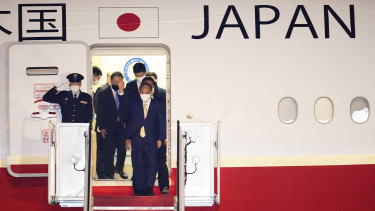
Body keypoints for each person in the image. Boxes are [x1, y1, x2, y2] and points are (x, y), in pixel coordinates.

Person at [125, 82, 166, 196]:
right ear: (139, 92)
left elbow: (161, 123)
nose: (144, 94)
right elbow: (128, 121)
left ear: (151, 92)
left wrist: (160, 139)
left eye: (146, 92)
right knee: (138, 163)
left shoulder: (158, 104)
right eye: (142, 92)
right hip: (137, 138)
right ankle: (138, 188)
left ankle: (148, 187)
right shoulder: (134, 104)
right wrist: (127, 137)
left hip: (152, 139)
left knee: (152, 164)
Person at [96, 71, 128, 179]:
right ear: (111, 81)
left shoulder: (126, 92)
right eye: (115, 81)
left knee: (122, 149)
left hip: (122, 126)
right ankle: (109, 171)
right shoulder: (103, 92)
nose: (117, 83)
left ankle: (119, 169)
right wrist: (102, 127)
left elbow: (128, 108)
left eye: (119, 81)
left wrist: (121, 91)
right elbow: (100, 111)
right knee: (109, 150)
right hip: (109, 126)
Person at [142, 76, 169, 195]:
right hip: (145, 140)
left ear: (154, 86)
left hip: (158, 138)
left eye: (150, 85)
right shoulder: (139, 101)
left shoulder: (162, 95)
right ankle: (146, 185)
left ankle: (164, 186)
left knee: (160, 163)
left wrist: (162, 138)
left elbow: (164, 120)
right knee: (146, 163)